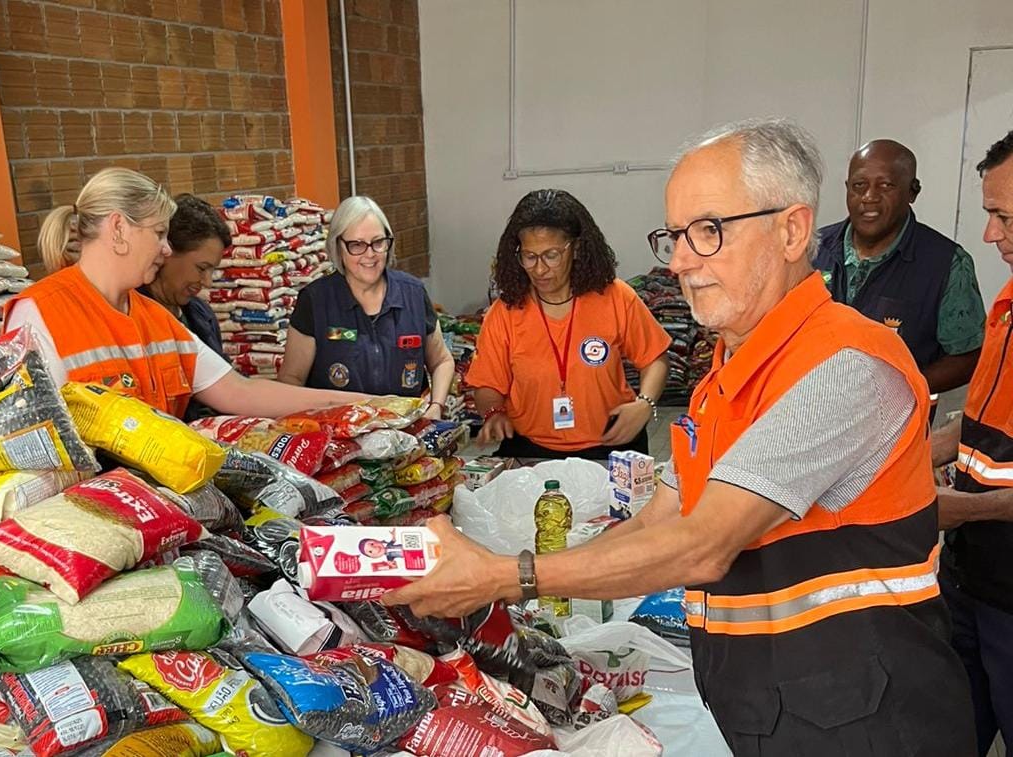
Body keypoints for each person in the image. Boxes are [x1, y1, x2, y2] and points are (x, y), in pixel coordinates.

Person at [385, 119, 975, 755]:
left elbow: (702, 544)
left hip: (867, 716)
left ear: (792, 230)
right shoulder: (729, 370)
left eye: (709, 231)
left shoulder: (848, 365)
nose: (680, 261)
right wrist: (541, 587)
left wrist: (507, 576)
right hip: (776, 699)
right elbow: (664, 514)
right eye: (673, 235)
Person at [4, 167, 364, 419]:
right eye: (159, 233)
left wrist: (368, 403)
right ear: (118, 229)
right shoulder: (40, 313)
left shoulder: (155, 318)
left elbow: (240, 392)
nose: (165, 249)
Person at [465, 189, 670, 460]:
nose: (539, 269)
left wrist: (644, 405)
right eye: (529, 256)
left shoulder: (615, 296)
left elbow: (655, 358)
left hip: (613, 444)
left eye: (551, 255)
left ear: (576, 249)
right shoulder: (505, 312)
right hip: (530, 449)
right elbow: (487, 384)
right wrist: (494, 413)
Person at [931, 128, 1013, 756]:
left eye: (1003, 216)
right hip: (968, 575)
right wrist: (904, 451)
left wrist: (970, 507)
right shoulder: (1007, 305)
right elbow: (980, 423)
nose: (989, 235)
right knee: (951, 726)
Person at [816, 139, 985, 394]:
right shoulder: (812, 250)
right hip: (810, 413)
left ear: (912, 191)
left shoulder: (947, 264)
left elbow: (968, 357)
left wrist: (901, 391)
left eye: (886, 185)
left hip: (896, 424)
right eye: (859, 186)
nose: (869, 197)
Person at [278, 196, 454, 419]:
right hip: (340, 438)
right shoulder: (315, 301)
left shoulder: (413, 294)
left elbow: (442, 361)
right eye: (357, 245)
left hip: (408, 435)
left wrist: (436, 406)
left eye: (378, 242)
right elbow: (291, 379)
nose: (370, 254)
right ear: (338, 246)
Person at [138, 193, 229, 359]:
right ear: (166, 251)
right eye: (202, 268)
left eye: (212, 270)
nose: (208, 282)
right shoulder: (132, 316)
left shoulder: (203, 315)